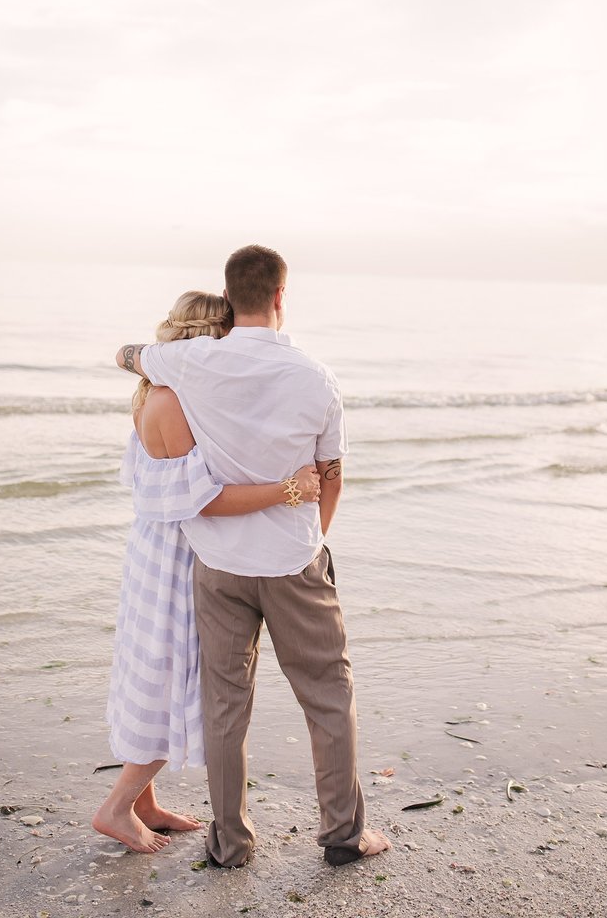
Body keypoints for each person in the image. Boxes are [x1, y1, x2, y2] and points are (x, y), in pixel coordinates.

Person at [116, 246, 390, 868]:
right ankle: (344, 836)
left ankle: (230, 841)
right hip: (293, 562)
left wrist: (137, 355)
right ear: (281, 297)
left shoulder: (189, 362)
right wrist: (308, 540)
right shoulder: (316, 377)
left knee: (225, 703)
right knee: (327, 694)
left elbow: (126, 355)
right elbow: (332, 476)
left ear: (229, 295)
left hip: (218, 566)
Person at [93, 290, 321, 855]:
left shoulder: (153, 392)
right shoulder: (173, 400)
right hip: (176, 554)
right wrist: (290, 489)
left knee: (149, 668)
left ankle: (145, 803)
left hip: (153, 546)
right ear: (210, 339)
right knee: (173, 678)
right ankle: (117, 808)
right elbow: (205, 499)